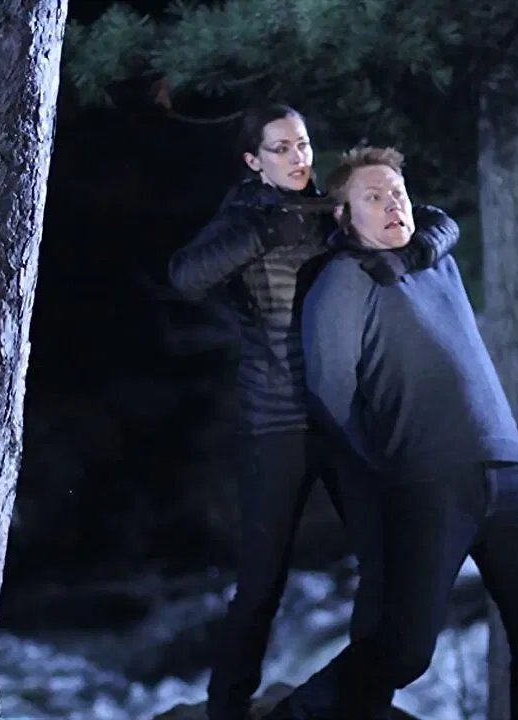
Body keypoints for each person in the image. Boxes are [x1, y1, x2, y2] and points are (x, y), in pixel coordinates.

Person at [167, 105, 460, 720]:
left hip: (347, 416)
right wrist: (261, 236)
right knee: (262, 581)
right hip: (276, 421)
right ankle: (226, 710)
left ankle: (360, 700)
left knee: (382, 563)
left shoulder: (331, 207)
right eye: (281, 149)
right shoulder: (244, 213)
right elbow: (186, 275)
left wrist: (419, 250)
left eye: (302, 144)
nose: (298, 158)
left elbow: (434, 221)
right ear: (253, 160)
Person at [268, 146, 518, 720]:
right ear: (343, 216)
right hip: (431, 479)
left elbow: (438, 222)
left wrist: (426, 234)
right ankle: (297, 715)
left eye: (397, 193)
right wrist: (386, 464)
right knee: (405, 651)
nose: (391, 205)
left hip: (506, 469)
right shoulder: (344, 279)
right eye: (372, 197)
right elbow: (329, 393)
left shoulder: (435, 258)